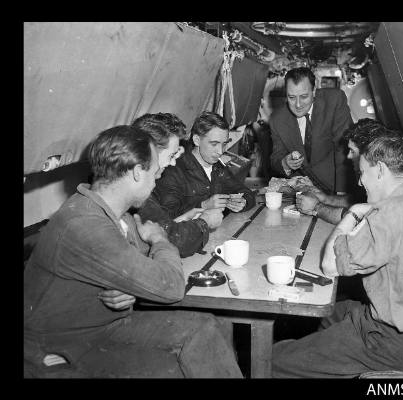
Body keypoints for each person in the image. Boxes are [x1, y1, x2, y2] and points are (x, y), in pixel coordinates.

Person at [24, 126, 242, 378]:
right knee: (188, 354)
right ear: (138, 172)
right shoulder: (85, 224)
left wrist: (126, 283)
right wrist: (160, 240)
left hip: (101, 328)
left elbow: (134, 261)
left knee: (209, 328)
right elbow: (171, 287)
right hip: (58, 351)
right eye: (155, 171)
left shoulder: (109, 211)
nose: (159, 176)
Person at [272, 132, 403, 378]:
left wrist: (354, 213)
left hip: (387, 343)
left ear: (380, 170)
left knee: (274, 360)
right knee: (331, 314)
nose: (360, 183)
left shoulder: (389, 214)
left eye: (362, 174)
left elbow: (329, 266)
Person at [132, 113, 223, 257]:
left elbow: (159, 227)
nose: (173, 162)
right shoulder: (137, 191)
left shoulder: (143, 185)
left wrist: (182, 219)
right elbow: (176, 241)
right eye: (171, 155)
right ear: (151, 152)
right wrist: (204, 222)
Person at [151, 111, 256, 219]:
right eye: (214, 144)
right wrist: (203, 206)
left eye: (224, 144)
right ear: (197, 140)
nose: (220, 151)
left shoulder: (217, 166)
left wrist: (243, 202)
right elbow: (167, 216)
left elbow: (244, 191)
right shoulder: (173, 170)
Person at [269, 67, 353, 195]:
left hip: (338, 185)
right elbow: (276, 156)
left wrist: (342, 194)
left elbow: (344, 149)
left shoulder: (335, 100)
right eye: (291, 97)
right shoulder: (277, 119)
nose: (298, 104)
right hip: (305, 191)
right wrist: (285, 163)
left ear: (314, 91)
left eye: (303, 96)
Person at [295, 118, 387, 224]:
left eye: (352, 151)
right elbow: (357, 201)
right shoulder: (375, 173)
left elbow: (359, 219)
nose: (348, 156)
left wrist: (317, 207)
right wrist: (325, 198)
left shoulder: (382, 179)